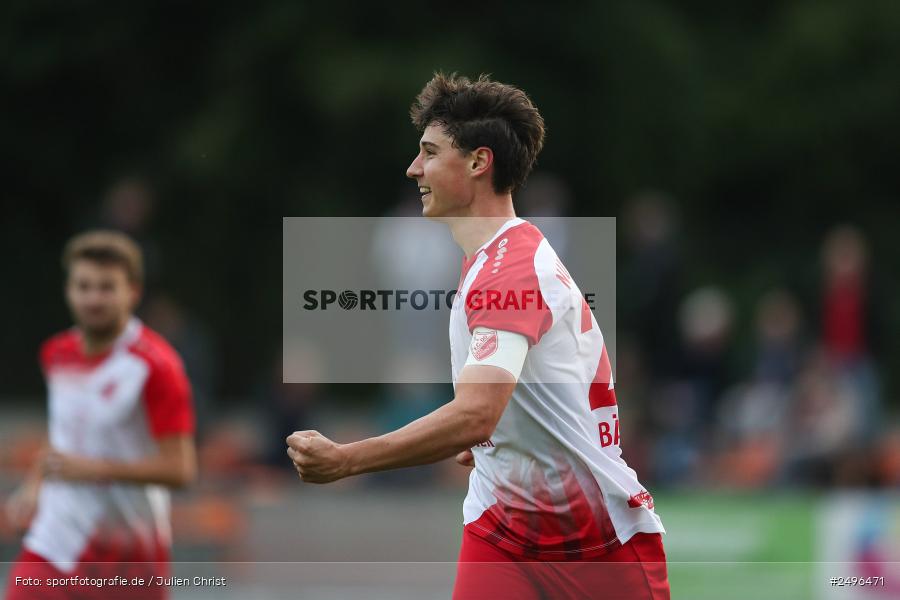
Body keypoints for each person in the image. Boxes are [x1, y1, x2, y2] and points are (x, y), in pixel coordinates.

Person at [286, 73, 669, 599]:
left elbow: (474, 414)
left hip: (594, 542)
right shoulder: (490, 261)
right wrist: (508, 437)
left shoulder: (509, 269)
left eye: (429, 152)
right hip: (501, 528)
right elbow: (502, 406)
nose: (413, 168)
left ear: (477, 162)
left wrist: (346, 460)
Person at [4, 231, 196, 600]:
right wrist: (33, 485)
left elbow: (181, 470)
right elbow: (65, 430)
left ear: (133, 292)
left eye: (106, 287)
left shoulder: (156, 367)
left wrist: (95, 469)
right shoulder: (56, 353)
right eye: (84, 286)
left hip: (128, 555)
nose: (93, 298)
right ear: (68, 290)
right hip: (56, 540)